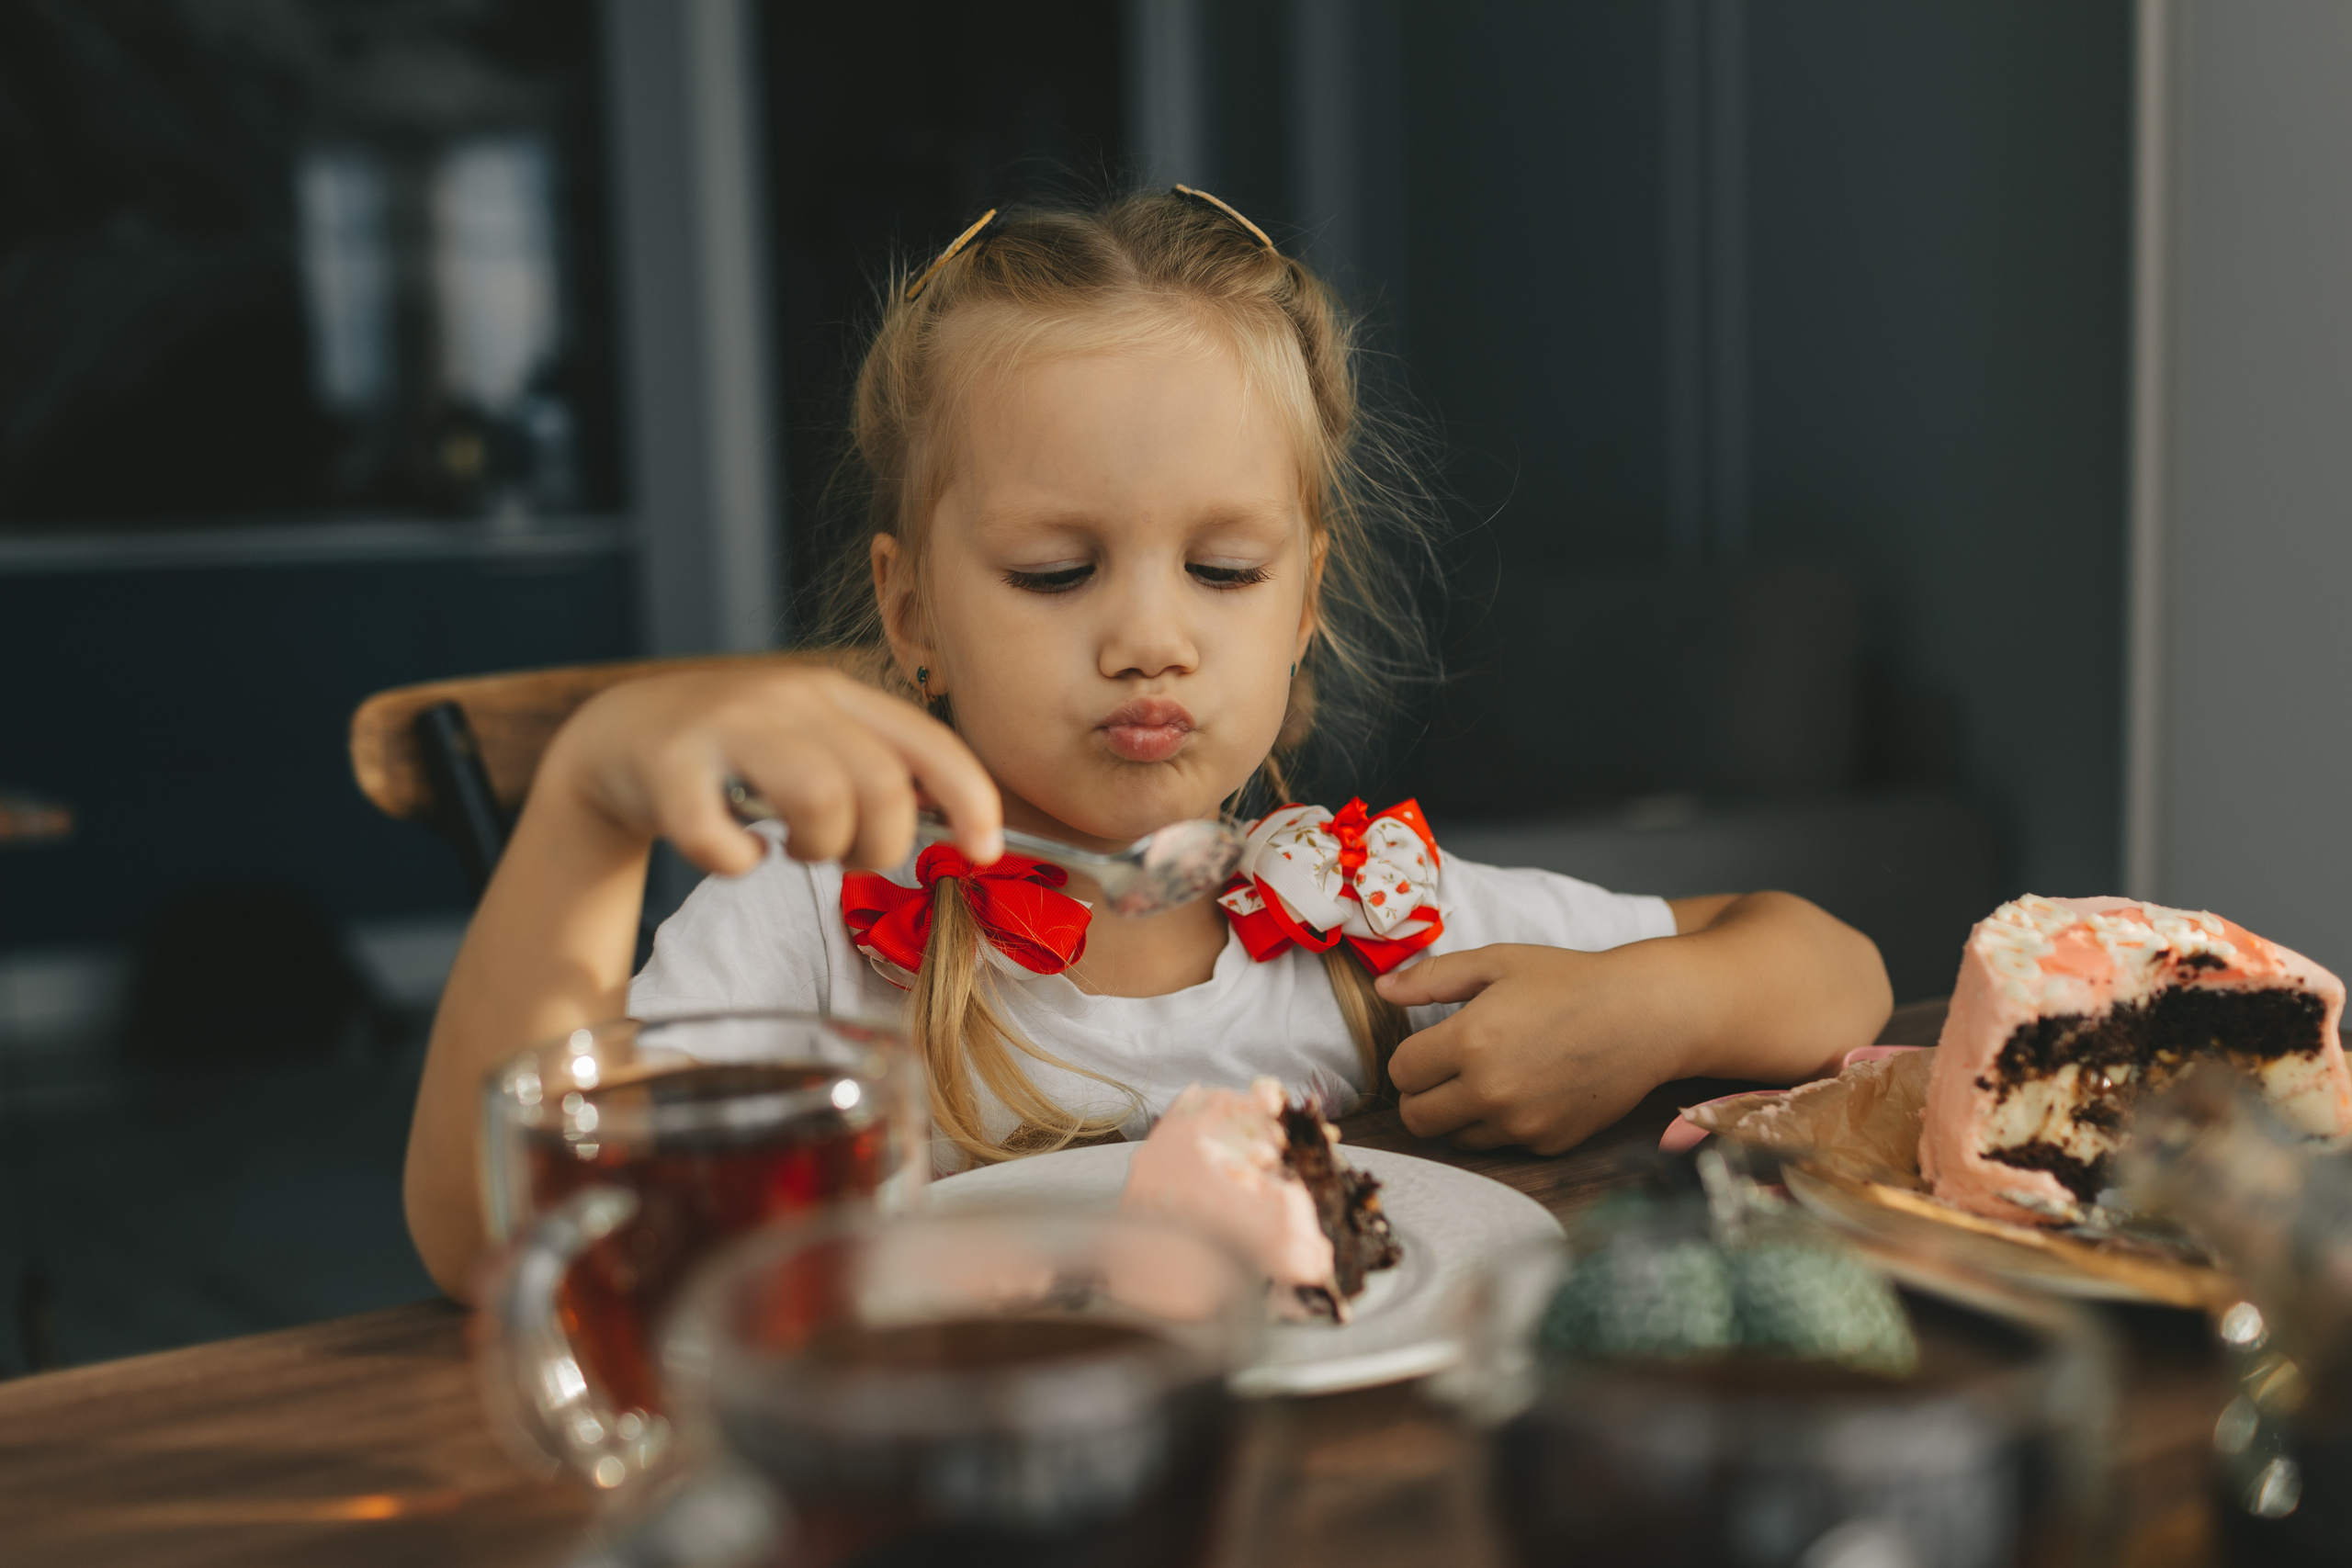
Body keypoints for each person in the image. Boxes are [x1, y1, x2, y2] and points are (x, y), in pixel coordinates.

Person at [402, 189, 1891, 1297]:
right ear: (909, 608)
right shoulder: (811, 920)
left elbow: (1831, 968)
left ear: (1305, 600)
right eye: (1057, 572)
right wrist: (591, 804)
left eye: (1225, 571)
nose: (1149, 638)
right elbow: (495, 1238)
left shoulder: (1365, 915)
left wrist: (1659, 1007)